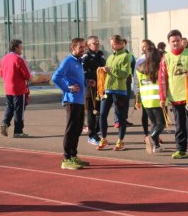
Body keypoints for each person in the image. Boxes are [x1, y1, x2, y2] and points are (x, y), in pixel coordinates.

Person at [159, 29, 188, 160]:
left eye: (178, 40)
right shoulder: (166, 58)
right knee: (179, 125)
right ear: (169, 43)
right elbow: (162, 79)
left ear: (182, 41)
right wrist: (162, 97)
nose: (176, 43)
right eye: (173, 41)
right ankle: (180, 149)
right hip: (175, 97)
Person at [52, 38, 90, 170]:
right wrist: (68, 88)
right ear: (73, 48)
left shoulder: (79, 62)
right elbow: (55, 77)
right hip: (72, 101)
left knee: (78, 129)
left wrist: (87, 83)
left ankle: (73, 156)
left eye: (84, 47)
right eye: (80, 47)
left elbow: (78, 79)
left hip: (79, 100)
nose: (83, 50)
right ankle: (66, 159)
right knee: (71, 130)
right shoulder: (68, 61)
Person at [97, 35, 132, 150]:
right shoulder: (110, 57)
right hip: (107, 90)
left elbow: (124, 74)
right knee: (102, 114)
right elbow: (108, 72)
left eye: (115, 43)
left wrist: (111, 70)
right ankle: (104, 138)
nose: (112, 46)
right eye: (111, 44)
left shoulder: (126, 56)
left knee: (121, 117)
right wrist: (102, 71)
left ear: (122, 43)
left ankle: (120, 141)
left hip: (120, 91)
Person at [0, 39, 31, 138]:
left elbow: (0, 73)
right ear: (16, 47)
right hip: (18, 89)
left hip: (7, 88)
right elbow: (27, 75)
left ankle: (5, 122)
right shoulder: (19, 59)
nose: (22, 49)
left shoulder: (4, 59)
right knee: (19, 110)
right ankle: (18, 131)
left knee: (10, 107)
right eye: (21, 47)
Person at [135, 47, 164, 153]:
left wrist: (137, 100)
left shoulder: (139, 68)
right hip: (157, 98)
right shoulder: (159, 67)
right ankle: (152, 136)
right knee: (161, 123)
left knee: (153, 123)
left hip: (146, 99)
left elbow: (139, 84)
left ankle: (156, 146)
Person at [81, 35, 105, 145]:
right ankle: (91, 135)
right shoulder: (85, 57)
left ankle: (96, 131)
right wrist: (90, 79)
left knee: (99, 111)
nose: (97, 45)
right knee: (91, 111)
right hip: (89, 88)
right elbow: (82, 72)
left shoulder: (100, 55)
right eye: (95, 43)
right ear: (89, 45)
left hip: (100, 87)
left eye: (98, 43)